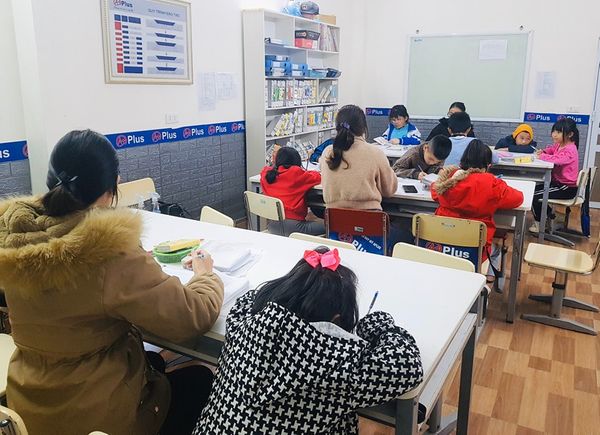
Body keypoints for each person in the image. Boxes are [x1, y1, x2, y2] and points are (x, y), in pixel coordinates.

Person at [0, 130, 224, 435]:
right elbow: (191, 316)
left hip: (31, 404)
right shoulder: (107, 254)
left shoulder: (15, 240)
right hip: (96, 418)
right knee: (202, 379)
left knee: (155, 359)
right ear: (112, 188)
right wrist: (205, 275)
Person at [193, 246, 423, 434]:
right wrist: (373, 323)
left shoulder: (242, 326)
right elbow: (407, 365)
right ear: (336, 320)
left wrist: (288, 292)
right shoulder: (337, 366)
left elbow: (248, 300)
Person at [432, 140, 523, 283]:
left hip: (440, 245)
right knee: (496, 249)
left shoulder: (450, 178)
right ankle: (488, 282)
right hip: (474, 249)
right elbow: (518, 198)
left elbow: (435, 192)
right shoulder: (491, 183)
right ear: (488, 165)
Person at [320, 104, 398, 210]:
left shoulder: (327, 152)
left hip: (334, 217)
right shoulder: (375, 153)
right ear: (364, 128)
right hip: (369, 216)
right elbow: (389, 190)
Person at [530, 118, 580, 233]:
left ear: (570, 134)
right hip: (558, 184)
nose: (554, 134)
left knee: (534, 196)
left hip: (566, 188)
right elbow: (552, 150)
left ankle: (540, 224)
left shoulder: (570, 149)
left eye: (559, 132)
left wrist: (542, 156)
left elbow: (557, 159)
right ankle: (554, 216)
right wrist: (545, 152)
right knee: (532, 190)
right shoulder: (560, 145)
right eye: (554, 131)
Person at [260, 146, 324, 236]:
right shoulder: (296, 173)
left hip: (272, 226)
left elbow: (268, 169)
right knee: (328, 227)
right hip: (294, 228)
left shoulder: (266, 174)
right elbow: (317, 177)